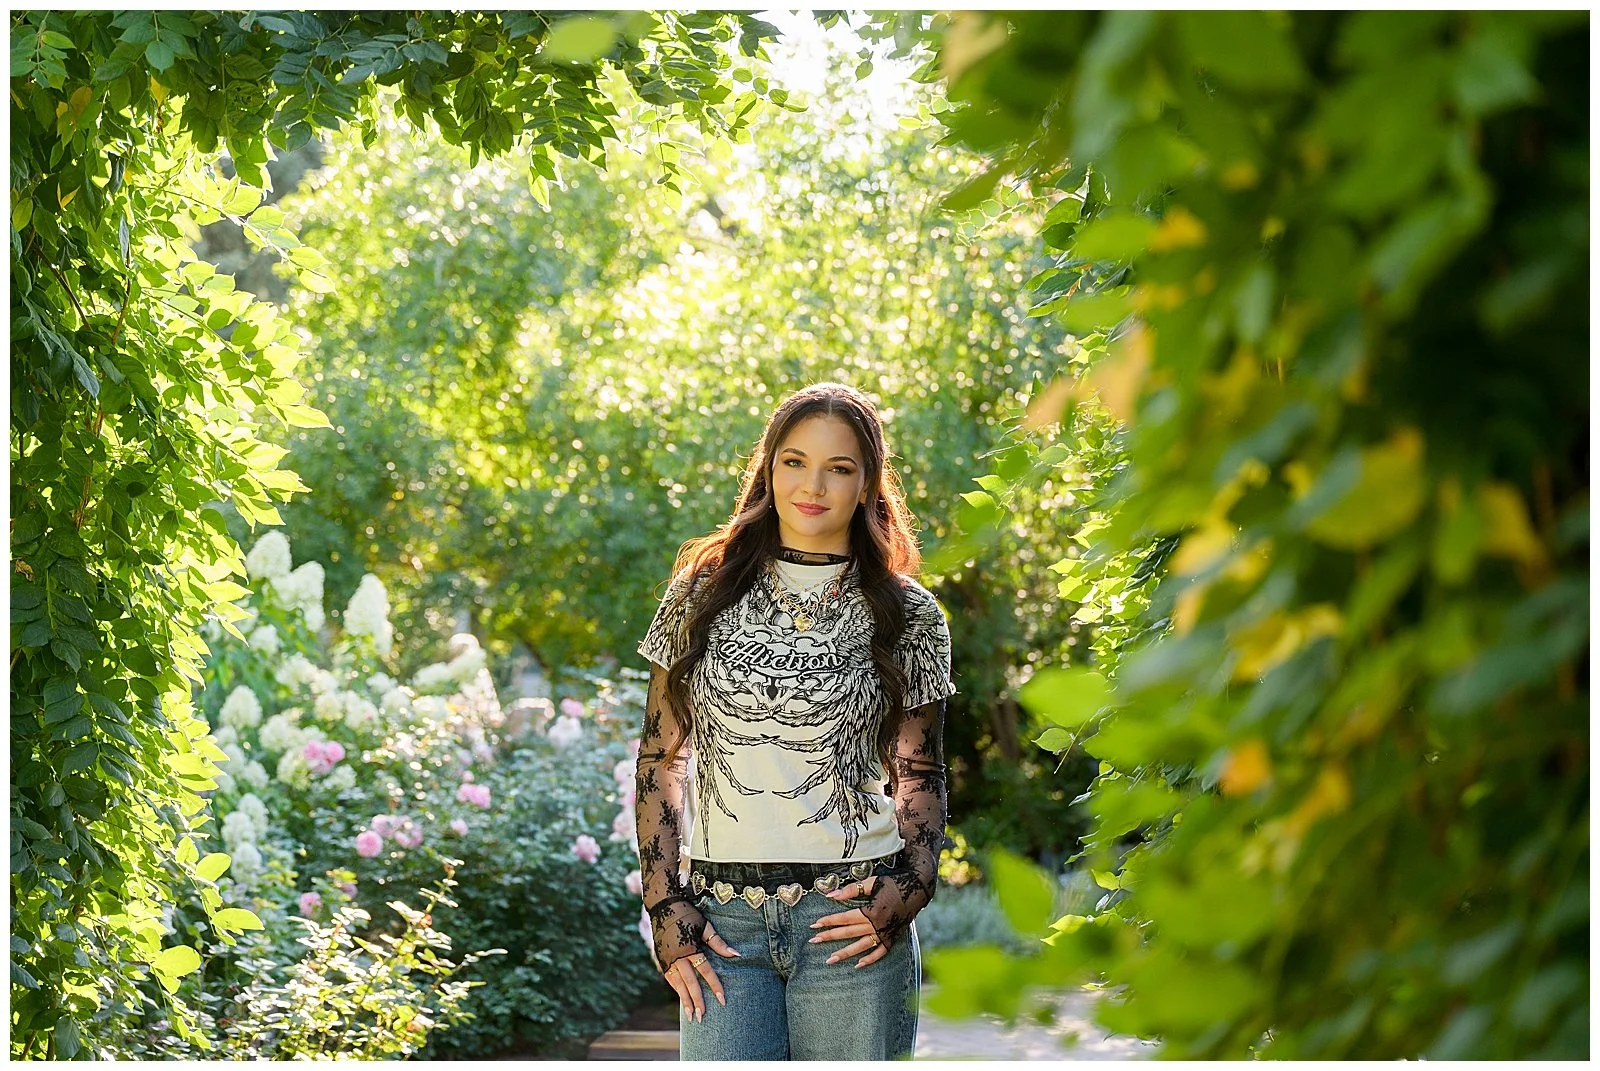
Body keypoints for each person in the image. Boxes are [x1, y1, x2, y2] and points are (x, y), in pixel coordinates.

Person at [633, 382, 956, 1061]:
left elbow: (920, 769)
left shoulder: (911, 613)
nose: (813, 486)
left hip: (851, 922)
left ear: (867, 485)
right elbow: (660, 760)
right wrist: (664, 905)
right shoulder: (699, 595)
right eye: (795, 461)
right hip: (721, 928)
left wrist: (911, 885)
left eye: (839, 468)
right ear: (768, 468)